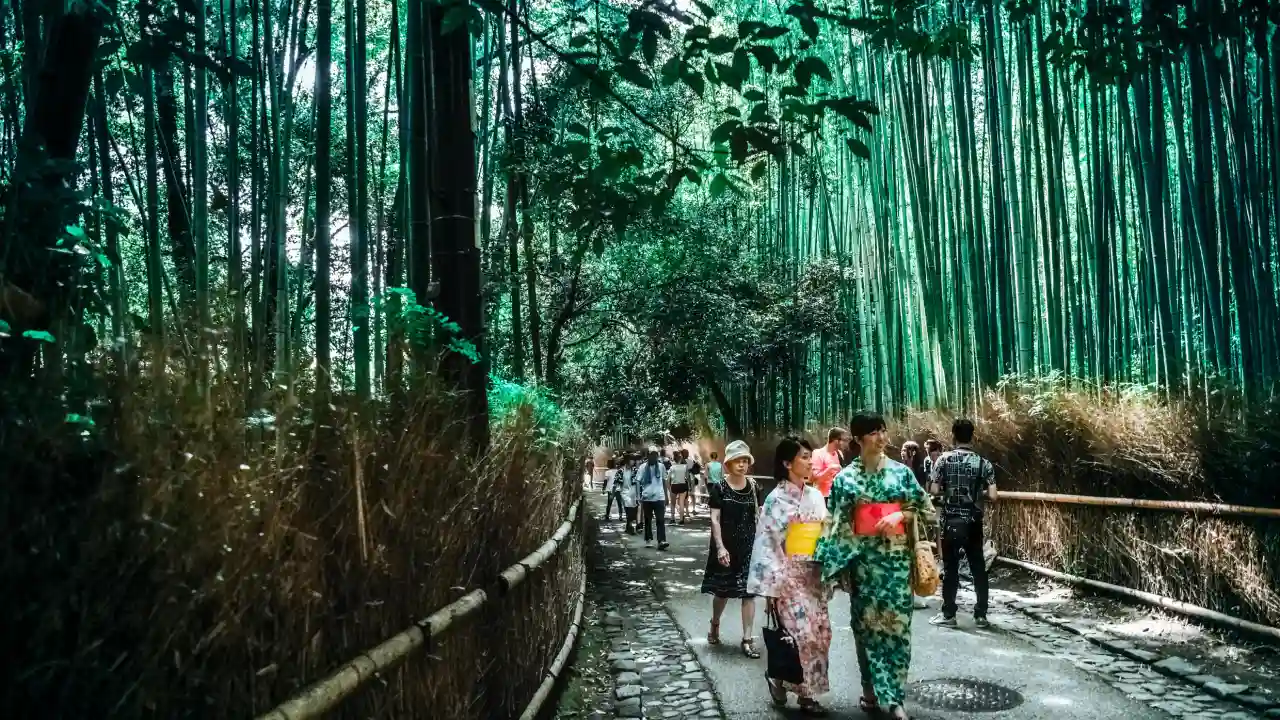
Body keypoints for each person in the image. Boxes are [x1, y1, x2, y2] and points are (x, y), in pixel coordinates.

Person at [814, 412, 936, 720]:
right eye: (874, 432)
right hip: (864, 567)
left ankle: (894, 698)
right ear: (858, 439)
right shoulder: (845, 479)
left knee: (898, 631)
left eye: (883, 430)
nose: (881, 437)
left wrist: (900, 516)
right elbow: (835, 523)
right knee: (866, 630)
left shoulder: (901, 473)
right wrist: (829, 565)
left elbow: (926, 509)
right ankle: (869, 688)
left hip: (896, 564)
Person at [748, 436, 831, 715]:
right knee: (800, 634)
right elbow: (767, 544)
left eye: (810, 456)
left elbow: (825, 533)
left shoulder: (815, 495)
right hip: (787, 575)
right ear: (787, 463)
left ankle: (780, 679)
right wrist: (770, 589)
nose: (810, 461)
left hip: (813, 574)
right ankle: (805, 695)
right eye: (804, 457)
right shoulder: (775, 499)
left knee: (821, 634)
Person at [930, 418, 997, 629]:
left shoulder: (943, 460)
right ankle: (981, 615)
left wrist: (949, 493)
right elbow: (993, 495)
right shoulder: (983, 463)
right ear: (972, 436)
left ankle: (949, 614)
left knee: (950, 568)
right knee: (978, 567)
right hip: (973, 521)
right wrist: (976, 493)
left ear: (953, 435)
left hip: (950, 520)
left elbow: (933, 490)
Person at [703, 439, 762, 658]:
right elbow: (715, 519)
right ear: (728, 464)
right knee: (722, 591)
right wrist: (720, 547)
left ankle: (747, 639)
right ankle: (715, 623)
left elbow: (760, 515)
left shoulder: (755, 487)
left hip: (749, 546)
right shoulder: (719, 488)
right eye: (737, 460)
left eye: (745, 460)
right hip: (725, 545)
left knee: (749, 593)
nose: (742, 464)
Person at [636, 447, 670, 550]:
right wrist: (638, 496)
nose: (654, 456)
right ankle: (648, 539)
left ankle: (661, 541)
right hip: (647, 497)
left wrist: (666, 495)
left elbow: (664, 481)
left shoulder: (661, 466)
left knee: (660, 519)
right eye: (652, 454)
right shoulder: (642, 467)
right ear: (648, 455)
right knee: (648, 520)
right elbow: (638, 481)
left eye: (655, 455)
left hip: (659, 497)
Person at [810, 427, 850, 499]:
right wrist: (830, 468)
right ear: (835, 440)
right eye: (844, 440)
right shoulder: (818, 453)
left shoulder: (839, 453)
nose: (846, 443)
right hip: (822, 496)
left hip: (836, 495)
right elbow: (815, 480)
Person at [669, 450, 691, 524]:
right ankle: (681, 519)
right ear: (680, 459)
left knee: (672, 503)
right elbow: (687, 478)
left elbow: (668, 478)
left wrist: (669, 487)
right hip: (683, 485)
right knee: (681, 503)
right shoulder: (685, 467)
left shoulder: (672, 467)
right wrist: (689, 486)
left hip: (674, 485)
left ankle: (672, 518)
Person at [621, 456, 640, 535]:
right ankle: (630, 527)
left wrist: (638, 494)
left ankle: (628, 526)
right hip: (625, 492)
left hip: (633, 493)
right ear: (627, 461)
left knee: (633, 510)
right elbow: (617, 482)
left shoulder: (635, 470)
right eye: (632, 460)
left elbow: (638, 482)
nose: (633, 461)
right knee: (628, 510)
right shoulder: (621, 471)